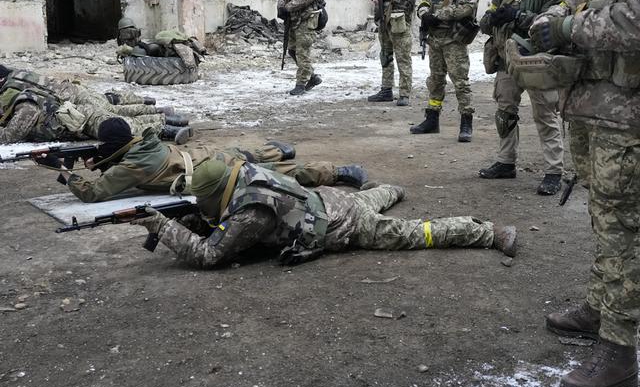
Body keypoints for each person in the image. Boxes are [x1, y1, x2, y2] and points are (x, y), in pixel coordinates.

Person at [530, 0, 640, 387]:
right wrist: (548, 21)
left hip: (630, 119)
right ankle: (601, 308)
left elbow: (635, 21)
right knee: (603, 218)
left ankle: (621, 351)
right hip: (590, 113)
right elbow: (566, 3)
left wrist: (570, 30)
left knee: (624, 227)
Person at [130, 156, 518, 268]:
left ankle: (487, 233)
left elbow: (210, 254)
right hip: (330, 199)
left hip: (345, 226)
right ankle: (390, 188)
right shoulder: (244, 172)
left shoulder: (250, 213)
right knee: (375, 195)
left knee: (416, 234)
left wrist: (162, 227)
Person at [66, 118, 368, 202]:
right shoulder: (144, 146)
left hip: (210, 172)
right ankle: (280, 149)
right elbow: (120, 162)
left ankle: (339, 172)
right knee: (249, 155)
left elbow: (93, 193)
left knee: (273, 175)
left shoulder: (131, 166)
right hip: (204, 156)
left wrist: (64, 172)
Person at [477, 0, 564, 195]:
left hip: (537, 62)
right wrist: (491, 18)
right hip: (506, 61)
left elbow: (552, 24)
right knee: (505, 113)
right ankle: (506, 162)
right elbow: (486, 21)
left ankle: (554, 171)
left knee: (545, 115)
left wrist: (518, 16)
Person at [0, 66, 191, 145]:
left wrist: (4, 134)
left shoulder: (20, 99)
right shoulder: (18, 84)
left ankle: (167, 128)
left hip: (80, 119)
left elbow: (13, 133)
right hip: (77, 113)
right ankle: (165, 119)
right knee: (119, 115)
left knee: (123, 127)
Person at [411, 0, 482, 141]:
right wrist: (424, 15)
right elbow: (424, 3)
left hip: (454, 40)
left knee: (460, 82)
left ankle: (466, 122)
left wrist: (437, 15)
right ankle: (432, 119)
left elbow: (466, 8)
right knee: (435, 80)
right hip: (435, 40)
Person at [368, 0, 424, 106]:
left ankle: (405, 93)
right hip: (384, 19)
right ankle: (386, 90)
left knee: (403, 57)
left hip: (400, 20)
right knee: (385, 56)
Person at [277, 0, 325, 95]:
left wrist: (288, 7)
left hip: (306, 20)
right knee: (292, 50)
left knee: (302, 52)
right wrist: (281, 6)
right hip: (294, 20)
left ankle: (301, 84)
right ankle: (312, 77)